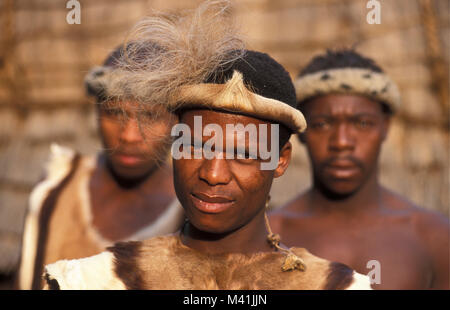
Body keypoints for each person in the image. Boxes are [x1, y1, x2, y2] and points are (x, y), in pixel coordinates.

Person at [40, 3, 372, 288]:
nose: (213, 174)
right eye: (197, 146)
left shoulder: (334, 285)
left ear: (280, 159)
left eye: (244, 154)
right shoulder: (98, 280)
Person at [269, 49, 450, 289]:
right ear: (302, 131)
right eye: (322, 123)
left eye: (362, 123)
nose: (342, 141)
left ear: (385, 127)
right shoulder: (270, 237)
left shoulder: (433, 237)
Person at [17, 44, 185, 290]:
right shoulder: (58, 189)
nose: (129, 135)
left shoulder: (189, 214)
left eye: (150, 116)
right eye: (114, 112)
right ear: (96, 111)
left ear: (177, 122)